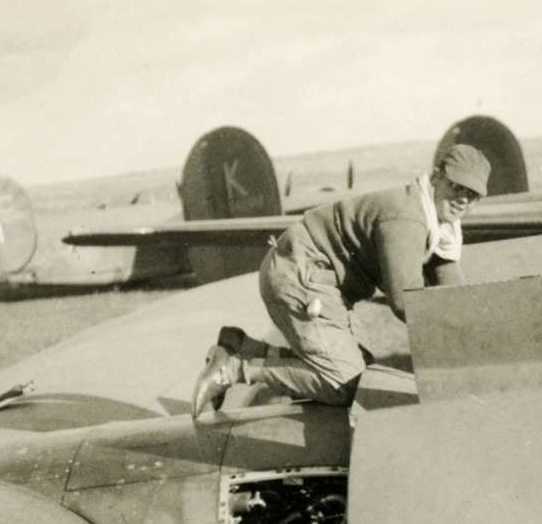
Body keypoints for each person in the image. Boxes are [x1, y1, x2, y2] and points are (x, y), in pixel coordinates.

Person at [192, 144, 491, 414]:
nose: (464, 199)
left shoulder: (440, 222)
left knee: (365, 373)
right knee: (346, 384)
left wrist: (477, 331)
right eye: (457, 186)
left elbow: (451, 287)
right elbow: (406, 301)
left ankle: (243, 347)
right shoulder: (408, 217)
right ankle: (234, 368)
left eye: (473, 194)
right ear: (437, 177)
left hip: (316, 278)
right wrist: (458, 335)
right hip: (301, 273)